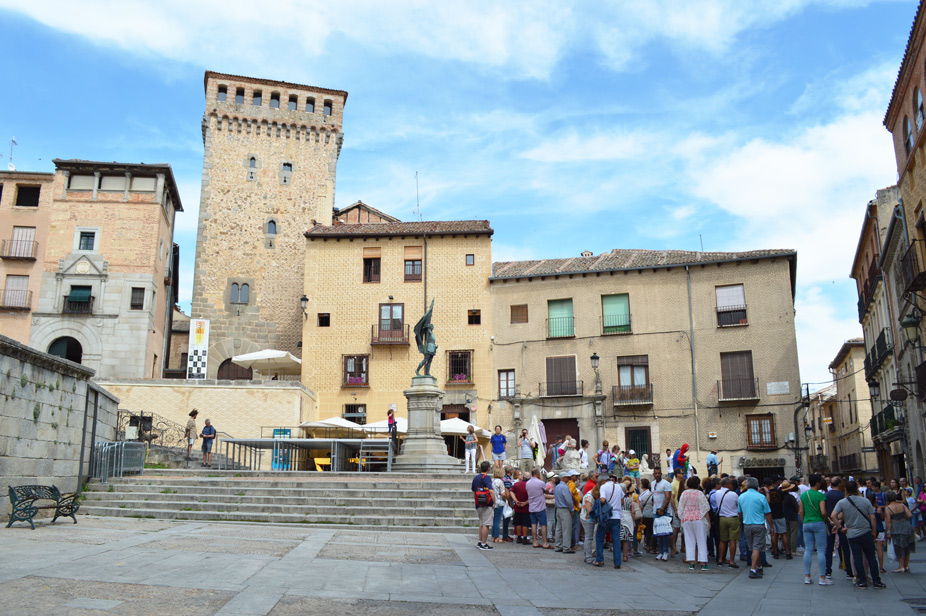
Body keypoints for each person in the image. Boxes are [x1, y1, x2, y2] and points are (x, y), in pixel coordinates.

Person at [831, 480, 885, 589]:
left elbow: (833, 516)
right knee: (871, 557)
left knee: (857, 557)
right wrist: (874, 531)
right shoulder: (865, 501)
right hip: (865, 531)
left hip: (852, 533)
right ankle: (876, 581)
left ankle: (862, 581)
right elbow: (873, 517)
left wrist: (841, 528)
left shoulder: (842, 502)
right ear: (856, 489)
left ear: (846, 490)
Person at [798, 474, 830, 586]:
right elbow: (823, 512)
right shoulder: (820, 496)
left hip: (807, 523)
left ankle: (807, 576)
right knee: (821, 550)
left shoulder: (804, 495)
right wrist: (827, 519)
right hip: (818, 523)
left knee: (808, 549)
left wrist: (803, 522)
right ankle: (822, 577)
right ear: (817, 483)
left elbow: (801, 511)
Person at [738, 476, 772, 579]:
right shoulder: (761, 497)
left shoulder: (741, 497)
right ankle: (753, 569)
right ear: (757, 486)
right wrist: (772, 526)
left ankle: (759, 566)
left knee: (753, 547)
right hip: (758, 524)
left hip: (747, 524)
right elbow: (768, 513)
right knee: (757, 547)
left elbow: (739, 513)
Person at [678, 476, 711, 570]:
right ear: (697, 484)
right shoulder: (699, 493)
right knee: (701, 541)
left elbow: (680, 508)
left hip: (687, 519)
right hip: (698, 519)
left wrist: (682, 517)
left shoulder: (684, 493)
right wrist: (708, 521)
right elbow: (705, 508)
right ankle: (703, 563)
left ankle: (691, 562)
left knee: (689, 541)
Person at [594, 474, 624, 568]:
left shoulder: (603, 487)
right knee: (616, 539)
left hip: (606, 516)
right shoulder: (618, 486)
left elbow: (603, 500)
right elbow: (622, 500)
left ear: (602, 481)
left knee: (599, 537)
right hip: (617, 516)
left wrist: (598, 503)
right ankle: (617, 562)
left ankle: (600, 560)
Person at [824, 476, 851, 580]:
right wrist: (838, 523)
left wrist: (830, 521)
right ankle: (849, 570)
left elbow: (824, 511)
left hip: (829, 524)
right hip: (841, 523)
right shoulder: (843, 495)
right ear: (839, 484)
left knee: (829, 547)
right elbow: (845, 511)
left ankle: (828, 571)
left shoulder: (826, 495)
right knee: (845, 546)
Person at [885, 489, 915, 573]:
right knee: (907, 547)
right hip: (906, 526)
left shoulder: (888, 508)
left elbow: (888, 521)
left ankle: (901, 566)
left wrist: (888, 532)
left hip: (896, 528)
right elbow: (909, 515)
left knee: (899, 547)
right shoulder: (902, 505)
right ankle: (906, 565)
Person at [714, 477, 740, 568]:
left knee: (722, 540)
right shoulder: (734, 494)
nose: (732, 485)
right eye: (731, 483)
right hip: (733, 518)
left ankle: (720, 559)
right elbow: (738, 506)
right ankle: (731, 561)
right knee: (732, 540)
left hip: (722, 518)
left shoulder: (717, 493)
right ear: (727, 484)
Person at [526, 468, 553, 549]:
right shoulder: (540, 482)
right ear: (537, 474)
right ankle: (545, 543)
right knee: (543, 524)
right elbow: (547, 491)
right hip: (540, 506)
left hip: (532, 506)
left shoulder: (527, 483)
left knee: (534, 524)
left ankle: (535, 541)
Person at [471, 461, 495, 550]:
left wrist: (476, 500)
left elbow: (473, 491)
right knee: (486, 524)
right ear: (488, 469)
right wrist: (494, 501)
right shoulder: (487, 478)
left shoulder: (476, 478)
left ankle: (480, 541)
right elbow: (491, 491)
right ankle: (484, 543)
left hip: (478, 503)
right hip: (487, 503)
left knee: (481, 523)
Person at [651, 467, 673, 560]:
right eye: (655, 473)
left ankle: (665, 552)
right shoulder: (652, 483)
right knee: (658, 533)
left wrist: (662, 508)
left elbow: (668, 498)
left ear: (661, 474)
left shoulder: (666, 484)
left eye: (659, 473)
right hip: (656, 510)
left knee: (665, 533)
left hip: (664, 511)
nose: (657, 475)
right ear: (653, 474)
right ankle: (660, 551)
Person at [554, 470, 576, 554]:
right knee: (566, 529)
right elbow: (568, 500)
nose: (569, 479)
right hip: (565, 509)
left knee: (558, 529)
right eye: (567, 478)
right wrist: (572, 509)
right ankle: (566, 547)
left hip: (558, 508)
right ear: (563, 478)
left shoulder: (557, 487)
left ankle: (558, 545)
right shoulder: (564, 487)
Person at [581, 475, 602, 563]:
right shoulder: (590, 497)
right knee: (589, 538)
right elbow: (589, 510)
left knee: (588, 537)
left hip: (586, 518)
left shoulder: (590, 493)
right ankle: (588, 557)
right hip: (587, 519)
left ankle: (587, 553)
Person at [510, 470, 531, 544]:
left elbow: (511, 492)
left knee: (518, 522)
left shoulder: (517, 484)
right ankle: (524, 538)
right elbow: (533, 496)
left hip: (518, 506)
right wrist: (525, 503)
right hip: (526, 506)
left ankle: (519, 537)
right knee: (525, 523)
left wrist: (516, 501)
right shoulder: (530, 485)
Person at [782, 480, 800, 561]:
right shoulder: (791, 497)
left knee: (787, 533)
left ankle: (787, 548)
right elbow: (796, 507)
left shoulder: (781, 497)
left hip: (784, 516)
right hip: (792, 516)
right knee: (793, 533)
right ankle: (793, 550)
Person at [490, 466, 507, 543]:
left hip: (493, 502)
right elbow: (503, 493)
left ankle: (493, 536)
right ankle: (496, 537)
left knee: (494, 520)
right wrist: (506, 499)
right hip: (499, 502)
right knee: (497, 520)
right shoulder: (500, 482)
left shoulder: (492, 480)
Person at [639, 478, 655, 553]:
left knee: (647, 531)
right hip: (653, 515)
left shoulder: (644, 496)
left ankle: (648, 545)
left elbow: (641, 507)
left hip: (646, 515)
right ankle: (653, 545)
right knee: (653, 530)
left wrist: (641, 516)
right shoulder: (655, 496)